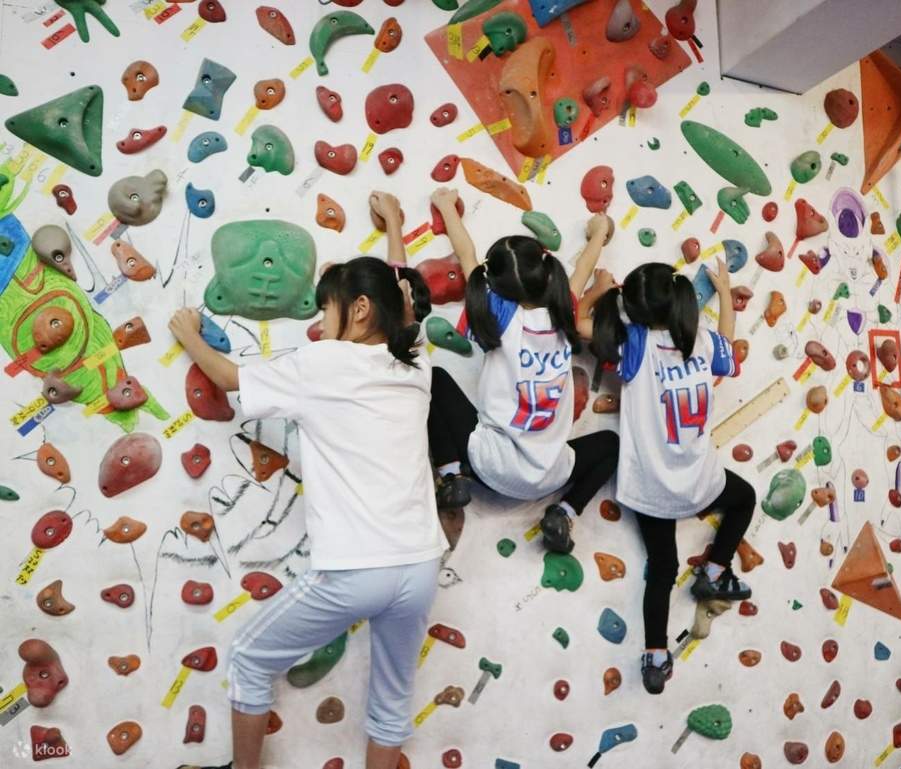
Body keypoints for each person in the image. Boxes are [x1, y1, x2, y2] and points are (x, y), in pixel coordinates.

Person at [171, 193, 447, 769]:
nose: (320, 323)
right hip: (421, 562)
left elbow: (229, 378)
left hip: (356, 569)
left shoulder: (323, 364)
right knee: (392, 699)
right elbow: (401, 292)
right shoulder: (416, 359)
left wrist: (189, 333)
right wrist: (394, 224)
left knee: (248, 655)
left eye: (327, 310)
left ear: (361, 309)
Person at [583, 260, 756, 695]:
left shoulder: (633, 344)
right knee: (745, 497)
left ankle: (656, 655)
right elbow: (730, 350)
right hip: (700, 483)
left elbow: (582, 327)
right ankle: (716, 569)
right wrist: (724, 292)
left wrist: (603, 287)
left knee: (662, 569)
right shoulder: (700, 341)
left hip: (652, 488)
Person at [428, 187, 619, 554]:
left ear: (496, 288)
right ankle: (564, 512)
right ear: (546, 276)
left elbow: (466, 255)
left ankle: (451, 475)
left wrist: (446, 207)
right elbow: (582, 268)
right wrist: (599, 231)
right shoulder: (565, 314)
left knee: (434, 380)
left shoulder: (496, 315)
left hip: (489, 465)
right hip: (547, 476)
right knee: (610, 445)